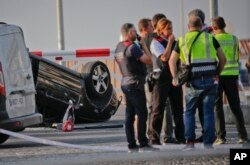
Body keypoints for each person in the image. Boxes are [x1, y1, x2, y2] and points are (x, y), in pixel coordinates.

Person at [169, 15, 226, 150]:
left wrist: (175, 77)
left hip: (192, 82)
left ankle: (190, 142)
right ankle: (208, 143)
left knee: (189, 112)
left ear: (188, 27)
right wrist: (217, 74)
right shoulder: (210, 38)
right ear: (201, 26)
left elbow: (171, 61)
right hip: (210, 80)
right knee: (208, 112)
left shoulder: (182, 40)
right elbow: (223, 59)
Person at [114, 23, 158, 152]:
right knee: (142, 113)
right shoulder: (133, 47)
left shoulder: (118, 47)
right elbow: (149, 60)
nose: (136, 33)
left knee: (130, 114)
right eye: (133, 32)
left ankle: (131, 144)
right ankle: (143, 143)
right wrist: (143, 45)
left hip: (125, 82)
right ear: (128, 34)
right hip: (135, 84)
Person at [211, 16, 249, 144]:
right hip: (232, 75)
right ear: (224, 25)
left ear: (214, 27)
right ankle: (243, 136)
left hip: (218, 75)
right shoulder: (234, 39)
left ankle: (221, 137)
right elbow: (237, 56)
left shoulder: (213, 39)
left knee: (218, 106)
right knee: (235, 106)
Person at [148, 18, 185, 145]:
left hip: (173, 76)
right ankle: (154, 138)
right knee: (158, 109)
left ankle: (181, 137)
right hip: (161, 78)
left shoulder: (176, 42)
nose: (171, 31)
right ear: (160, 30)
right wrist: (169, 43)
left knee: (178, 109)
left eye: (171, 28)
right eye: (168, 28)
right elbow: (164, 58)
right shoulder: (155, 43)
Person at [188, 8, 213, 143]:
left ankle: (207, 136)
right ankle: (208, 136)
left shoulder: (204, 34)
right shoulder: (210, 33)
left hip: (199, 76)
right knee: (206, 109)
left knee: (198, 110)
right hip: (211, 75)